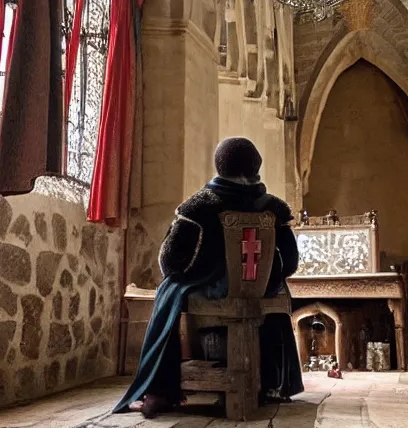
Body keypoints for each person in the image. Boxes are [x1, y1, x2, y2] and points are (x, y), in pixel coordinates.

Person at [113, 137, 303, 418]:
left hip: (213, 293)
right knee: (279, 286)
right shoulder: (274, 208)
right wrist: (259, 278)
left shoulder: (198, 206)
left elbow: (170, 262)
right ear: (255, 167)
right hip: (260, 291)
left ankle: (158, 390)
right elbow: (289, 264)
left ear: (220, 166)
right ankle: (274, 382)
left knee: (169, 287)